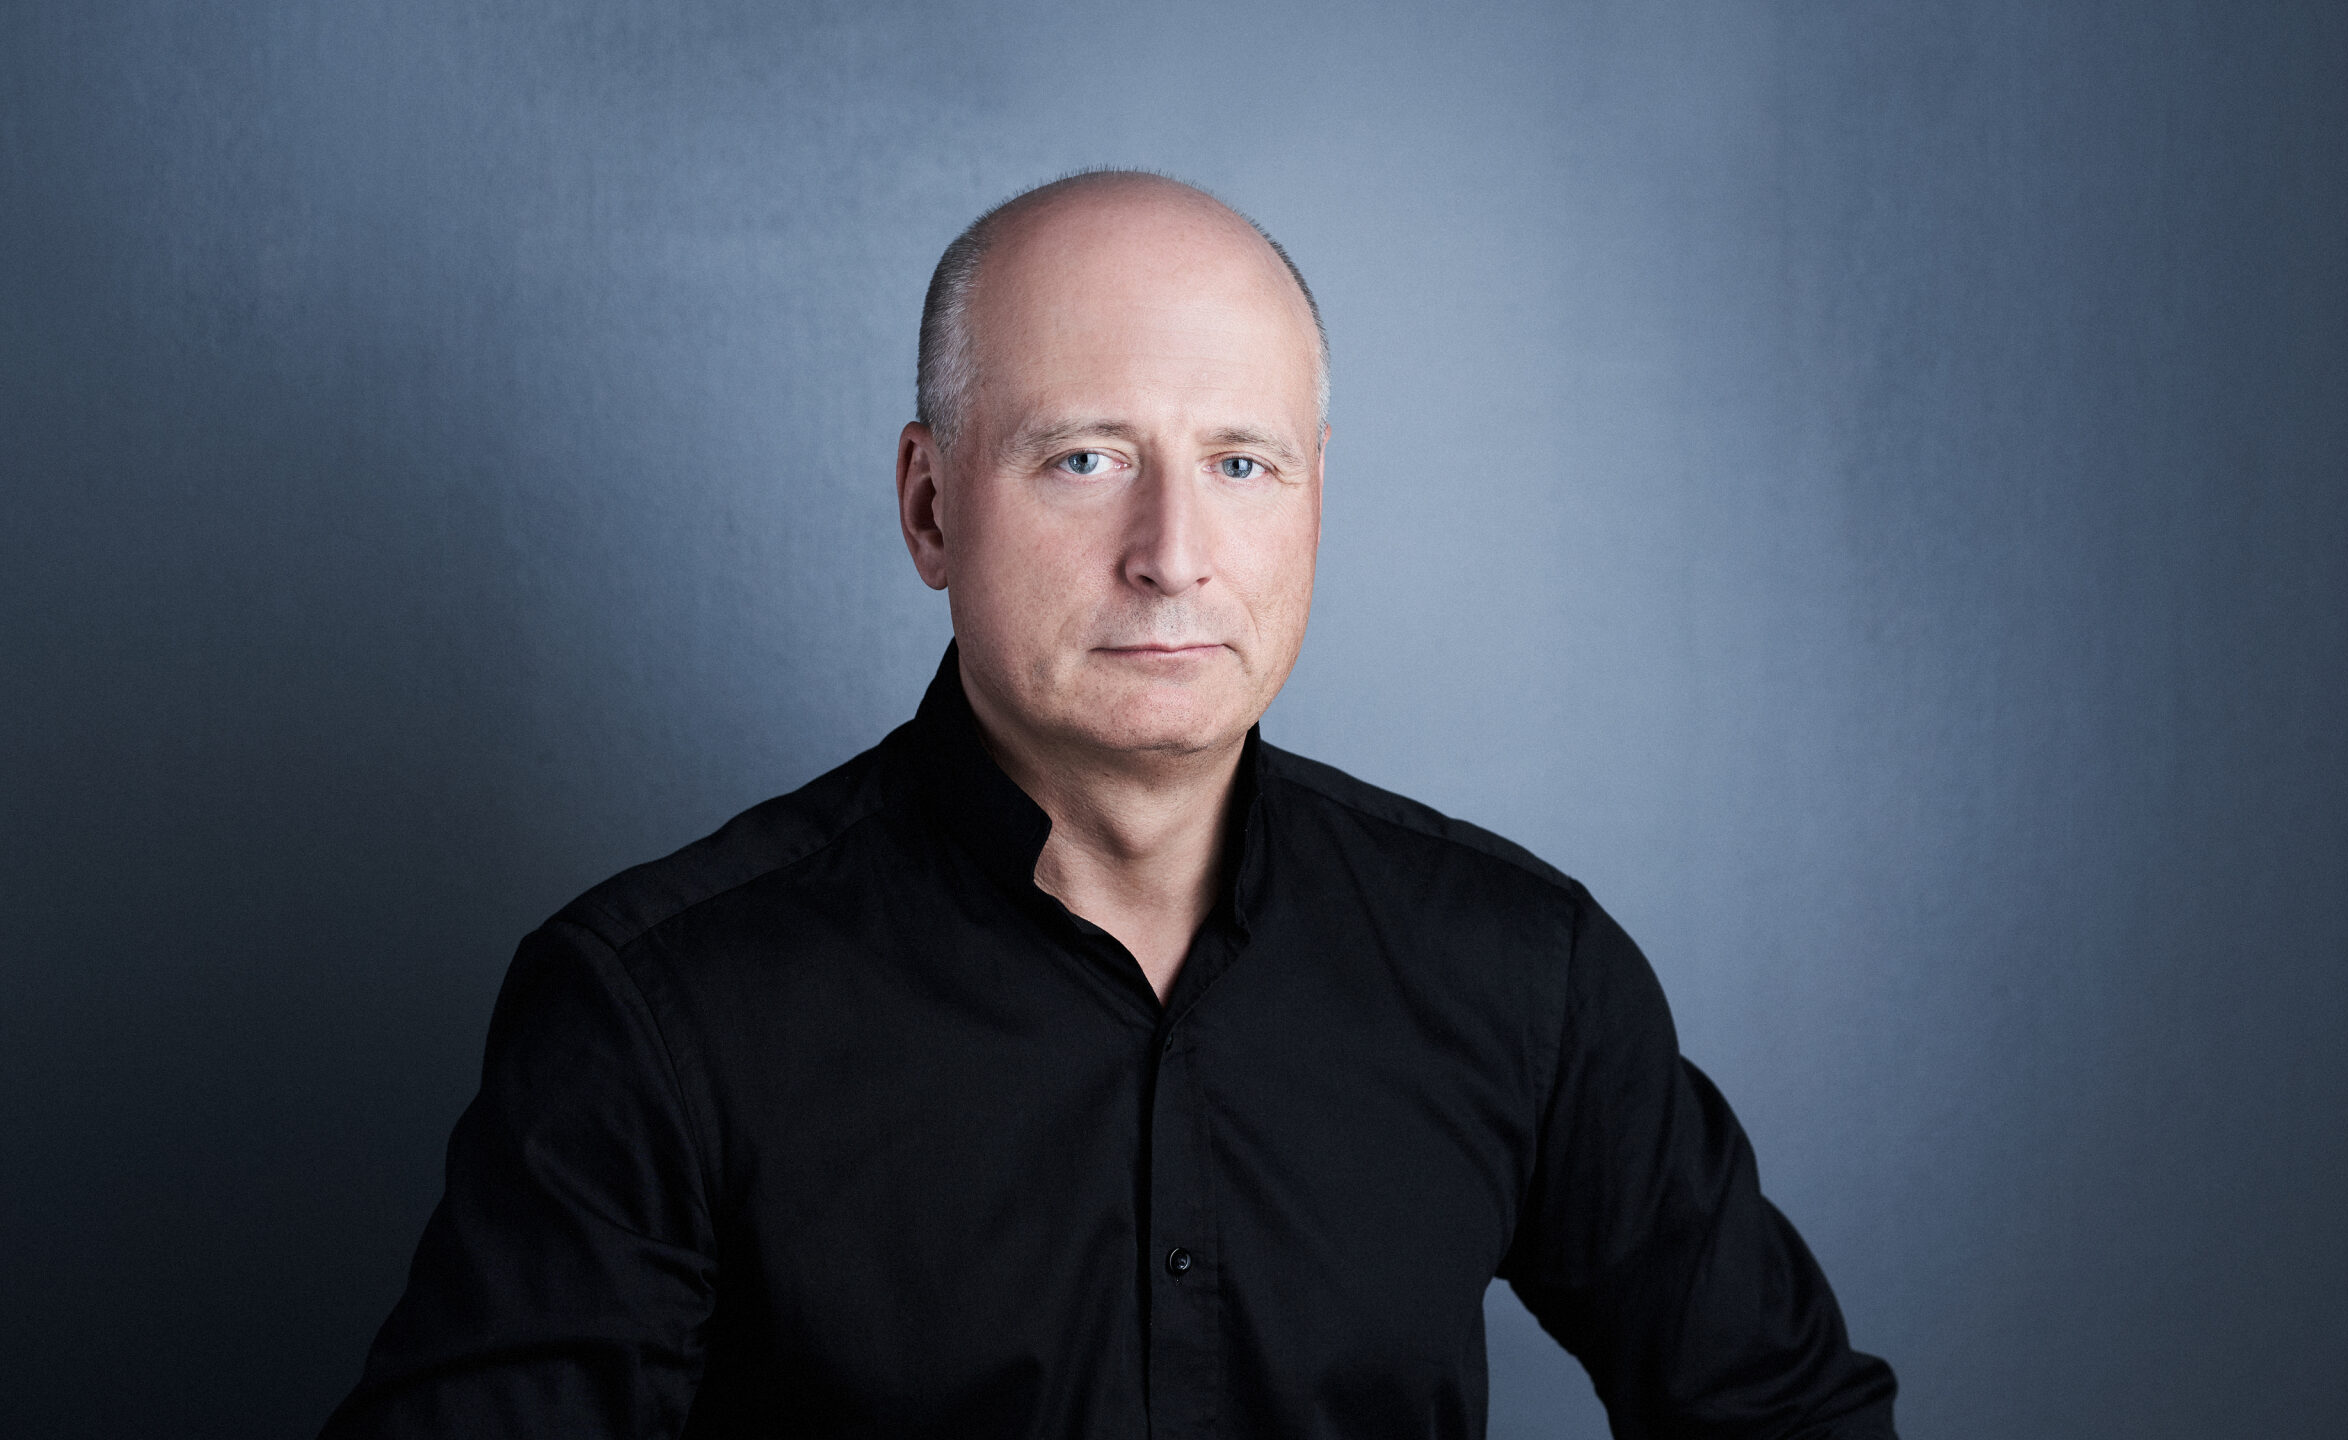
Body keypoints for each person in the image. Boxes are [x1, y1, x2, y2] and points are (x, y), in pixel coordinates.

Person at [321, 170, 1897, 1439]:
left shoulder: (1523, 974)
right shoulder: (658, 1014)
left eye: (1242, 465)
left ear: (1319, 503)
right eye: (1083, 460)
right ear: (929, 507)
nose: (1173, 554)